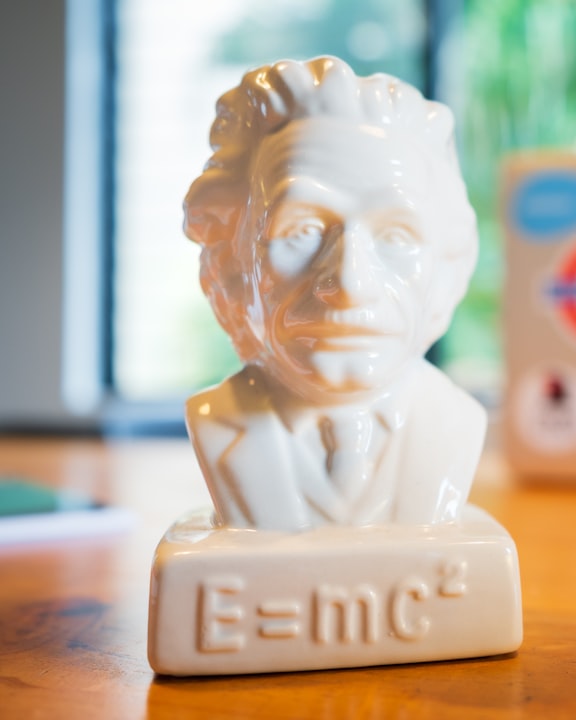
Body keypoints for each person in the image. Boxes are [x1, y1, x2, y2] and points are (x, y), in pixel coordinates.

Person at [182, 57, 483, 532]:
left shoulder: (455, 425)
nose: (349, 284)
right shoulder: (216, 424)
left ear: (446, 268)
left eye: (396, 237)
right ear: (233, 260)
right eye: (301, 230)